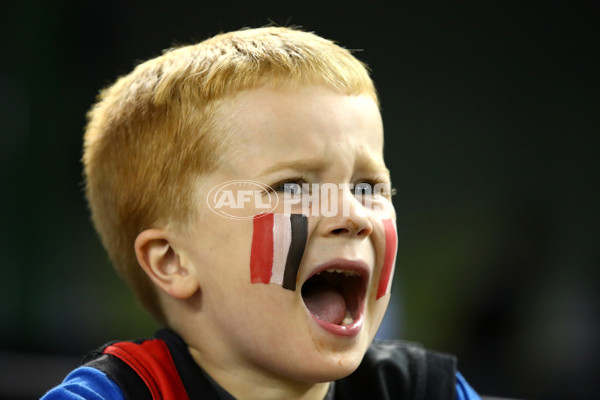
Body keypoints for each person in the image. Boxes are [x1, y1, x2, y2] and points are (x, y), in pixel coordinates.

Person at [42, 26, 480, 400]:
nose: (354, 216)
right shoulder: (127, 391)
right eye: (292, 187)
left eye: (367, 187)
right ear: (172, 261)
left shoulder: (421, 390)